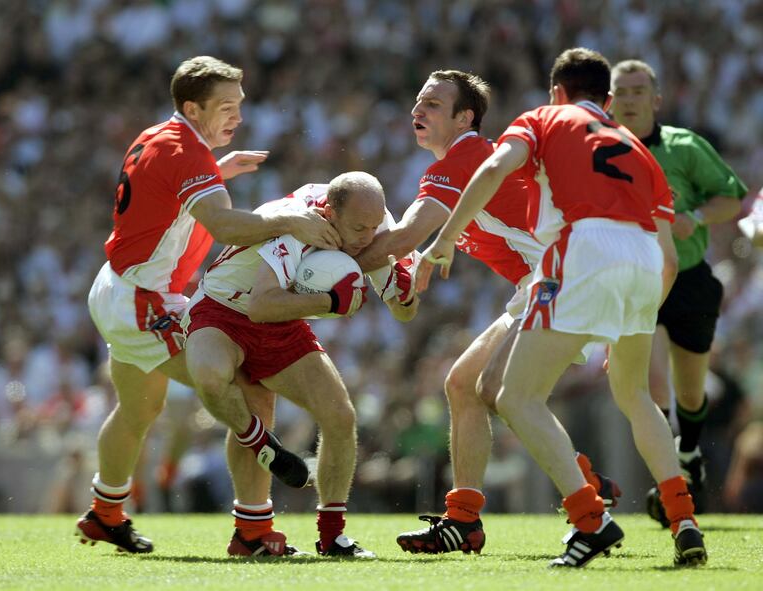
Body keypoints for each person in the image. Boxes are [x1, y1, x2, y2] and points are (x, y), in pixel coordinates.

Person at [419, 48, 706, 568]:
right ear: (609, 101)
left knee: (515, 397)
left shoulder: (543, 118)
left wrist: (444, 240)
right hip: (642, 265)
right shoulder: (637, 149)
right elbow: (668, 256)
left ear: (557, 92)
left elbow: (490, 172)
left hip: (580, 253)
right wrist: (631, 315)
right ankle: (684, 519)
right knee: (636, 395)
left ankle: (591, 518)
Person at [76, 56, 342, 553]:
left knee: (138, 410)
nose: (237, 117)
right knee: (248, 381)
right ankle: (254, 529)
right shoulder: (187, 155)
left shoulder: (161, 136)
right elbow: (224, 227)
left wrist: (217, 170)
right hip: (144, 299)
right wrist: (291, 224)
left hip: (120, 288)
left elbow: (162, 197)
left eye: (239, 105)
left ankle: (104, 513)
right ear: (193, 108)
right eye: (225, 107)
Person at [353, 70, 618, 555]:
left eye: (433, 104)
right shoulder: (459, 164)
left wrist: (325, 265)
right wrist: (393, 278)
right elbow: (409, 266)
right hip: (543, 280)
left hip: (563, 276)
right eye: (418, 101)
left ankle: (589, 512)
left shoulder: (467, 156)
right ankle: (464, 521)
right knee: (463, 385)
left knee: (503, 392)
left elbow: (404, 240)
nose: (418, 110)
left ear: (464, 118)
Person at [184, 171, 418, 558]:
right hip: (223, 308)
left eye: (374, 226)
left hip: (281, 322)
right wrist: (329, 302)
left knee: (340, 416)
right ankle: (259, 445)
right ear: (329, 213)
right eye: (359, 228)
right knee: (211, 378)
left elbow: (403, 311)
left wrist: (407, 294)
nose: (367, 237)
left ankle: (332, 538)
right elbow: (260, 304)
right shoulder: (298, 221)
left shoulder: (372, 223)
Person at [610, 59, 748, 524]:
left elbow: (732, 196)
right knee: (648, 382)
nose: (629, 99)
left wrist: (698, 218)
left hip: (686, 277)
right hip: (632, 281)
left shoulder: (685, 147)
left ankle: (687, 452)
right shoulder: (599, 150)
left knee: (691, 392)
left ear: (656, 99)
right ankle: (670, 478)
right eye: (621, 91)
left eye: (637, 90)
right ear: (609, 100)